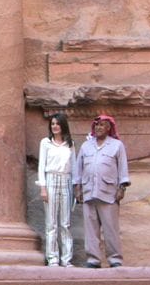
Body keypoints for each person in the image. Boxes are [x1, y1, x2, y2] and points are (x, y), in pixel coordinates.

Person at [74, 114, 130, 268]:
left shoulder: (117, 145)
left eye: (102, 125)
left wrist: (122, 187)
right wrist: (77, 187)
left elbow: (122, 168)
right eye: (96, 125)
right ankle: (93, 260)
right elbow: (78, 168)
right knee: (91, 229)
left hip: (109, 193)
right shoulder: (86, 146)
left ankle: (115, 260)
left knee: (110, 228)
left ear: (109, 128)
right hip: (88, 192)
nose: (98, 128)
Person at [37, 112, 76, 267]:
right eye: (52, 124)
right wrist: (43, 188)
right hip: (51, 178)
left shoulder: (70, 144)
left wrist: (75, 186)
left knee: (65, 223)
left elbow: (73, 166)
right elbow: (41, 166)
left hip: (66, 179)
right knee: (51, 222)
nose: (54, 126)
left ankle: (67, 259)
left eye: (57, 123)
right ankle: (53, 258)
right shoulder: (46, 142)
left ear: (63, 125)